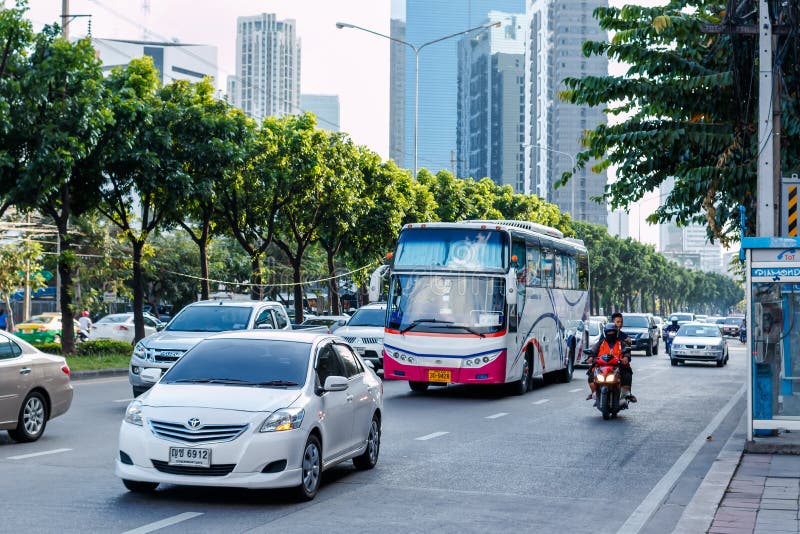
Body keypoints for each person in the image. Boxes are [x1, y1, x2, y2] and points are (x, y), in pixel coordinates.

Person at [586, 322, 637, 403]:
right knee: (591, 376)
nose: (610, 334)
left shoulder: (621, 343)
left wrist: (626, 357)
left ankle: (626, 394)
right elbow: (594, 350)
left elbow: (626, 351)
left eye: (612, 332)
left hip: (617, 366)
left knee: (627, 374)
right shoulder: (601, 342)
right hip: (601, 367)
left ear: (616, 333)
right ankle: (594, 392)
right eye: (608, 332)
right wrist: (591, 357)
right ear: (605, 333)